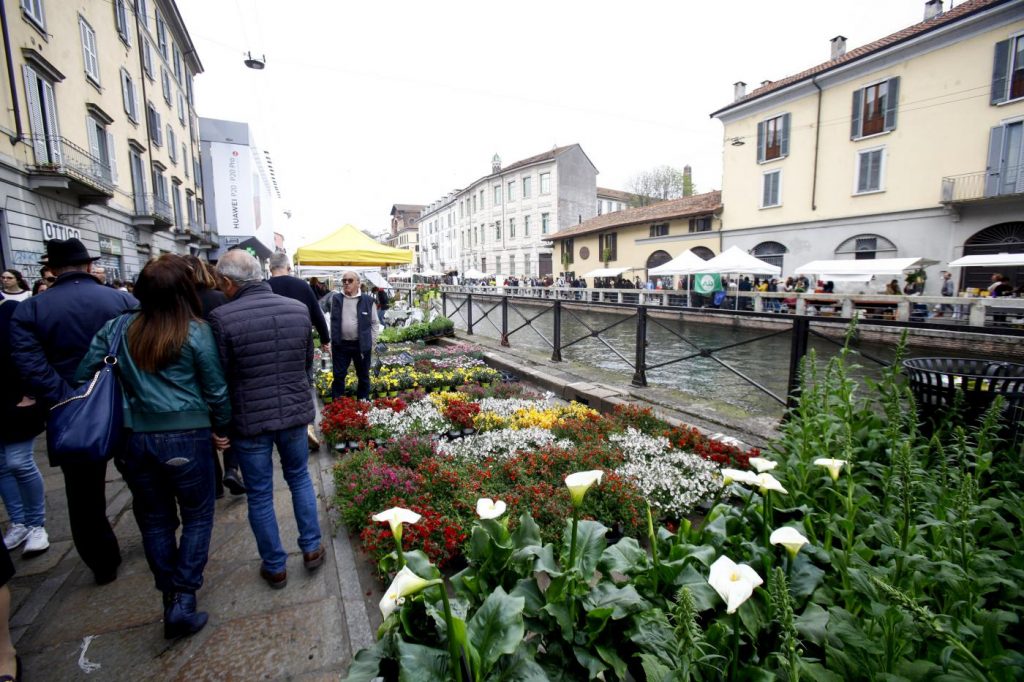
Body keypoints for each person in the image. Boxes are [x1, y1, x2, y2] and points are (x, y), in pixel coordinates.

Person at [77, 255, 231, 639]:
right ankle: (182, 596)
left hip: (133, 440)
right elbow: (216, 389)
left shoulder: (118, 328)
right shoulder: (194, 331)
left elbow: (84, 375)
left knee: (155, 519)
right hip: (186, 434)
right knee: (197, 515)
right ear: (185, 291)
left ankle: (170, 595)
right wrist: (222, 426)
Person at [10, 239, 136, 584]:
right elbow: (140, 347)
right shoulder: (122, 299)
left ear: (51, 270)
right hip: (125, 400)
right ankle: (158, 534)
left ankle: (103, 562)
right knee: (142, 475)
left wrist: (67, 397)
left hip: (69, 410)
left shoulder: (32, 309)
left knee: (83, 495)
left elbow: (30, 365)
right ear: (87, 266)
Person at [209, 250, 324, 589]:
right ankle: (312, 549)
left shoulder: (222, 317)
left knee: (260, 494)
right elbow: (306, 364)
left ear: (230, 283)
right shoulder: (298, 309)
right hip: (292, 412)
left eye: (221, 282)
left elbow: (221, 378)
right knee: (300, 479)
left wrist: (221, 425)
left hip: (249, 419)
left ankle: (275, 566)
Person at [183, 255, 244, 497]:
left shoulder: (181, 303)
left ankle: (214, 482)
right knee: (229, 419)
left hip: (192, 373)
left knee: (203, 422)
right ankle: (231, 467)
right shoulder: (219, 298)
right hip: (222, 369)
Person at [0, 297, 49, 557]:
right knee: (1, 467)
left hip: (15, 402)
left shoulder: (9, 310)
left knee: (19, 462)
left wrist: (31, 392)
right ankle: (18, 522)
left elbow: (29, 350)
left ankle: (36, 524)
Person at [328, 271, 380, 402]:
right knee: (338, 376)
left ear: (358, 283)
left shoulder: (368, 301)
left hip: (361, 345)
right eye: (344, 280)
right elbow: (332, 321)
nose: (346, 283)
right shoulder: (337, 299)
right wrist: (330, 341)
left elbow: (375, 323)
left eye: (350, 280)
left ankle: (362, 405)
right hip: (341, 345)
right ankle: (337, 406)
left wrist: (372, 343)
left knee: (363, 376)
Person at [267, 252, 330, 345]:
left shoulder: (264, 287)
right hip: (299, 341)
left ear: (270, 268)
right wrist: (325, 340)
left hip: (271, 341)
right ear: (288, 267)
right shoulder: (302, 285)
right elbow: (317, 315)